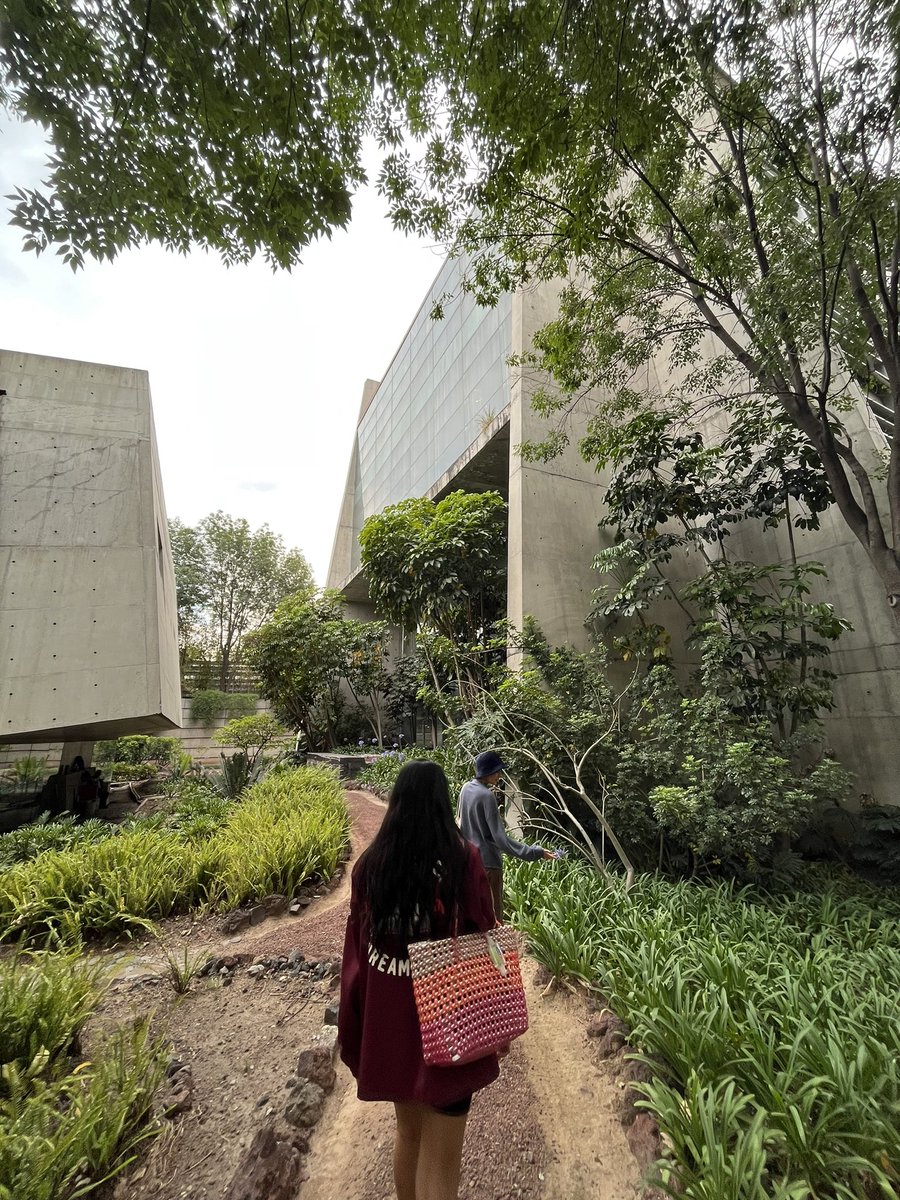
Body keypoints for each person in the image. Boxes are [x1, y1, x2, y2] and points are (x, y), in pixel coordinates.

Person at [339, 760, 500, 1200]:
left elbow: (355, 958)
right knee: (443, 1159)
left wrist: (357, 1025)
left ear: (396, 803)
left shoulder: (370, 867)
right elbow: (486, 931)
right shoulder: (462, 859)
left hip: (393, 1028)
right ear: (441, 802)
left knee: (408, 1133)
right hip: (450, 1022)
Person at [457, 750, 554, 921]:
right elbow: (500, 839)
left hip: (468, 862)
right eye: (497, 771)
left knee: (473, 916)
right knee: (493, 917)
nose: (500, 775)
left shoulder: (466, 789)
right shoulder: (487, 796)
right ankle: (493, 949)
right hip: (489, 865)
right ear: (488, 772)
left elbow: (460, 822)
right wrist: (535, 852)